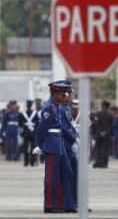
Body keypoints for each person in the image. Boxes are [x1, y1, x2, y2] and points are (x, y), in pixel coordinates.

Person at [35, 81, 74, 213]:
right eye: (62, 94)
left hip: (59, 143)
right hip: (52, 143)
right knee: (52, 176)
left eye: (65, 94)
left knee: (65, 173)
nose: (64, 97)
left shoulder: (56, 106)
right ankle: (50, 205)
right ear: (54, 94)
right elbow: (42, 129)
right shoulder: (48, 108)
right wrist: (40, 145)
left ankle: (60, 204)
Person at [60, 81, 79, 212]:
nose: (71, 96)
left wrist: (76, 137)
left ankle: (76, 203)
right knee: (67, 176)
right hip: (64, 145)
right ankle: (68, 205)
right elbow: (63, 127)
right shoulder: (60, 108)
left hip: (70, 145)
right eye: (69, 93)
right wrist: (74, 137)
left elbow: (70, 126)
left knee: (75, 175)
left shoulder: (67, 107)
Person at [92, 100, 114, 168]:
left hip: (98, 134)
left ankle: (98, 163)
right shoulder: (110, 115)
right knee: (105, 149)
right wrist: (106, 132)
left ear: (103, 106)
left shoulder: (98, 114)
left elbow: (95, 124)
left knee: (98, 149)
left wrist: (99, 132)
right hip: (107, 135)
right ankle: (104, 163)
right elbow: (112, 126)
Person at [19, 100, 40, 166]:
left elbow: (20, 123)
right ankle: (32, 162)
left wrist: (25, 126)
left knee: (26, 148)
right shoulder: (35, 113)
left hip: (26, 132)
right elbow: (38, 123)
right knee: (33, 148)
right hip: (33, 132)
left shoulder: (23, 113)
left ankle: (26, 162)